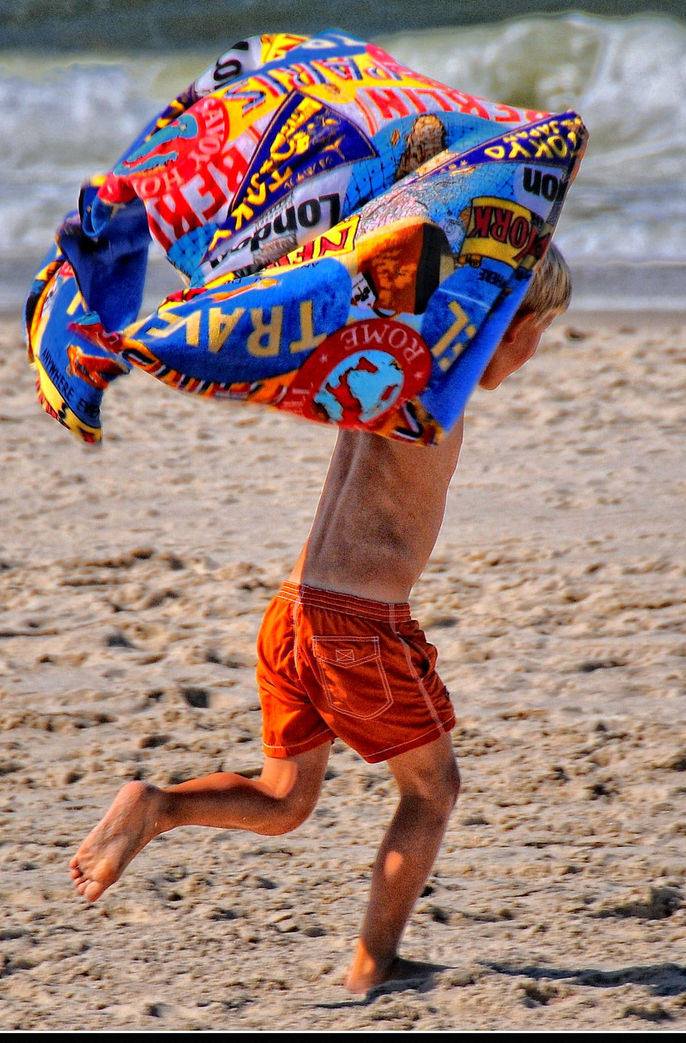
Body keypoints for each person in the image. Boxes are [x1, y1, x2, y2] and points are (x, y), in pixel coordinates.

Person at [67, 244, 569, 993]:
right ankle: (374, 963)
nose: (534, 356)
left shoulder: (387, 364)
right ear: (513, 321)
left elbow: (389, 293)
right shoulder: (435, 384)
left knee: (284, 800)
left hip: (291, 611)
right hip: (357, 624)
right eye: (542, 333)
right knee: (432, 791)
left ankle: (157, 806)